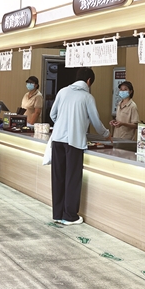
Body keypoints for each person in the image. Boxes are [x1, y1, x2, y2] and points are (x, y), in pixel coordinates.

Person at [49, 67, 109, 226]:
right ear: (89, 81)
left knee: (58, 177)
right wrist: (106, 134)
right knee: (72, 178)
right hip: (74, 142)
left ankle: (57, 214)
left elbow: (52, 114)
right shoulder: (87, 97)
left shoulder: (62, 92)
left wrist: (62, 124)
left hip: (57, 140)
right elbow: (96, 122)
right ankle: (70, 216)